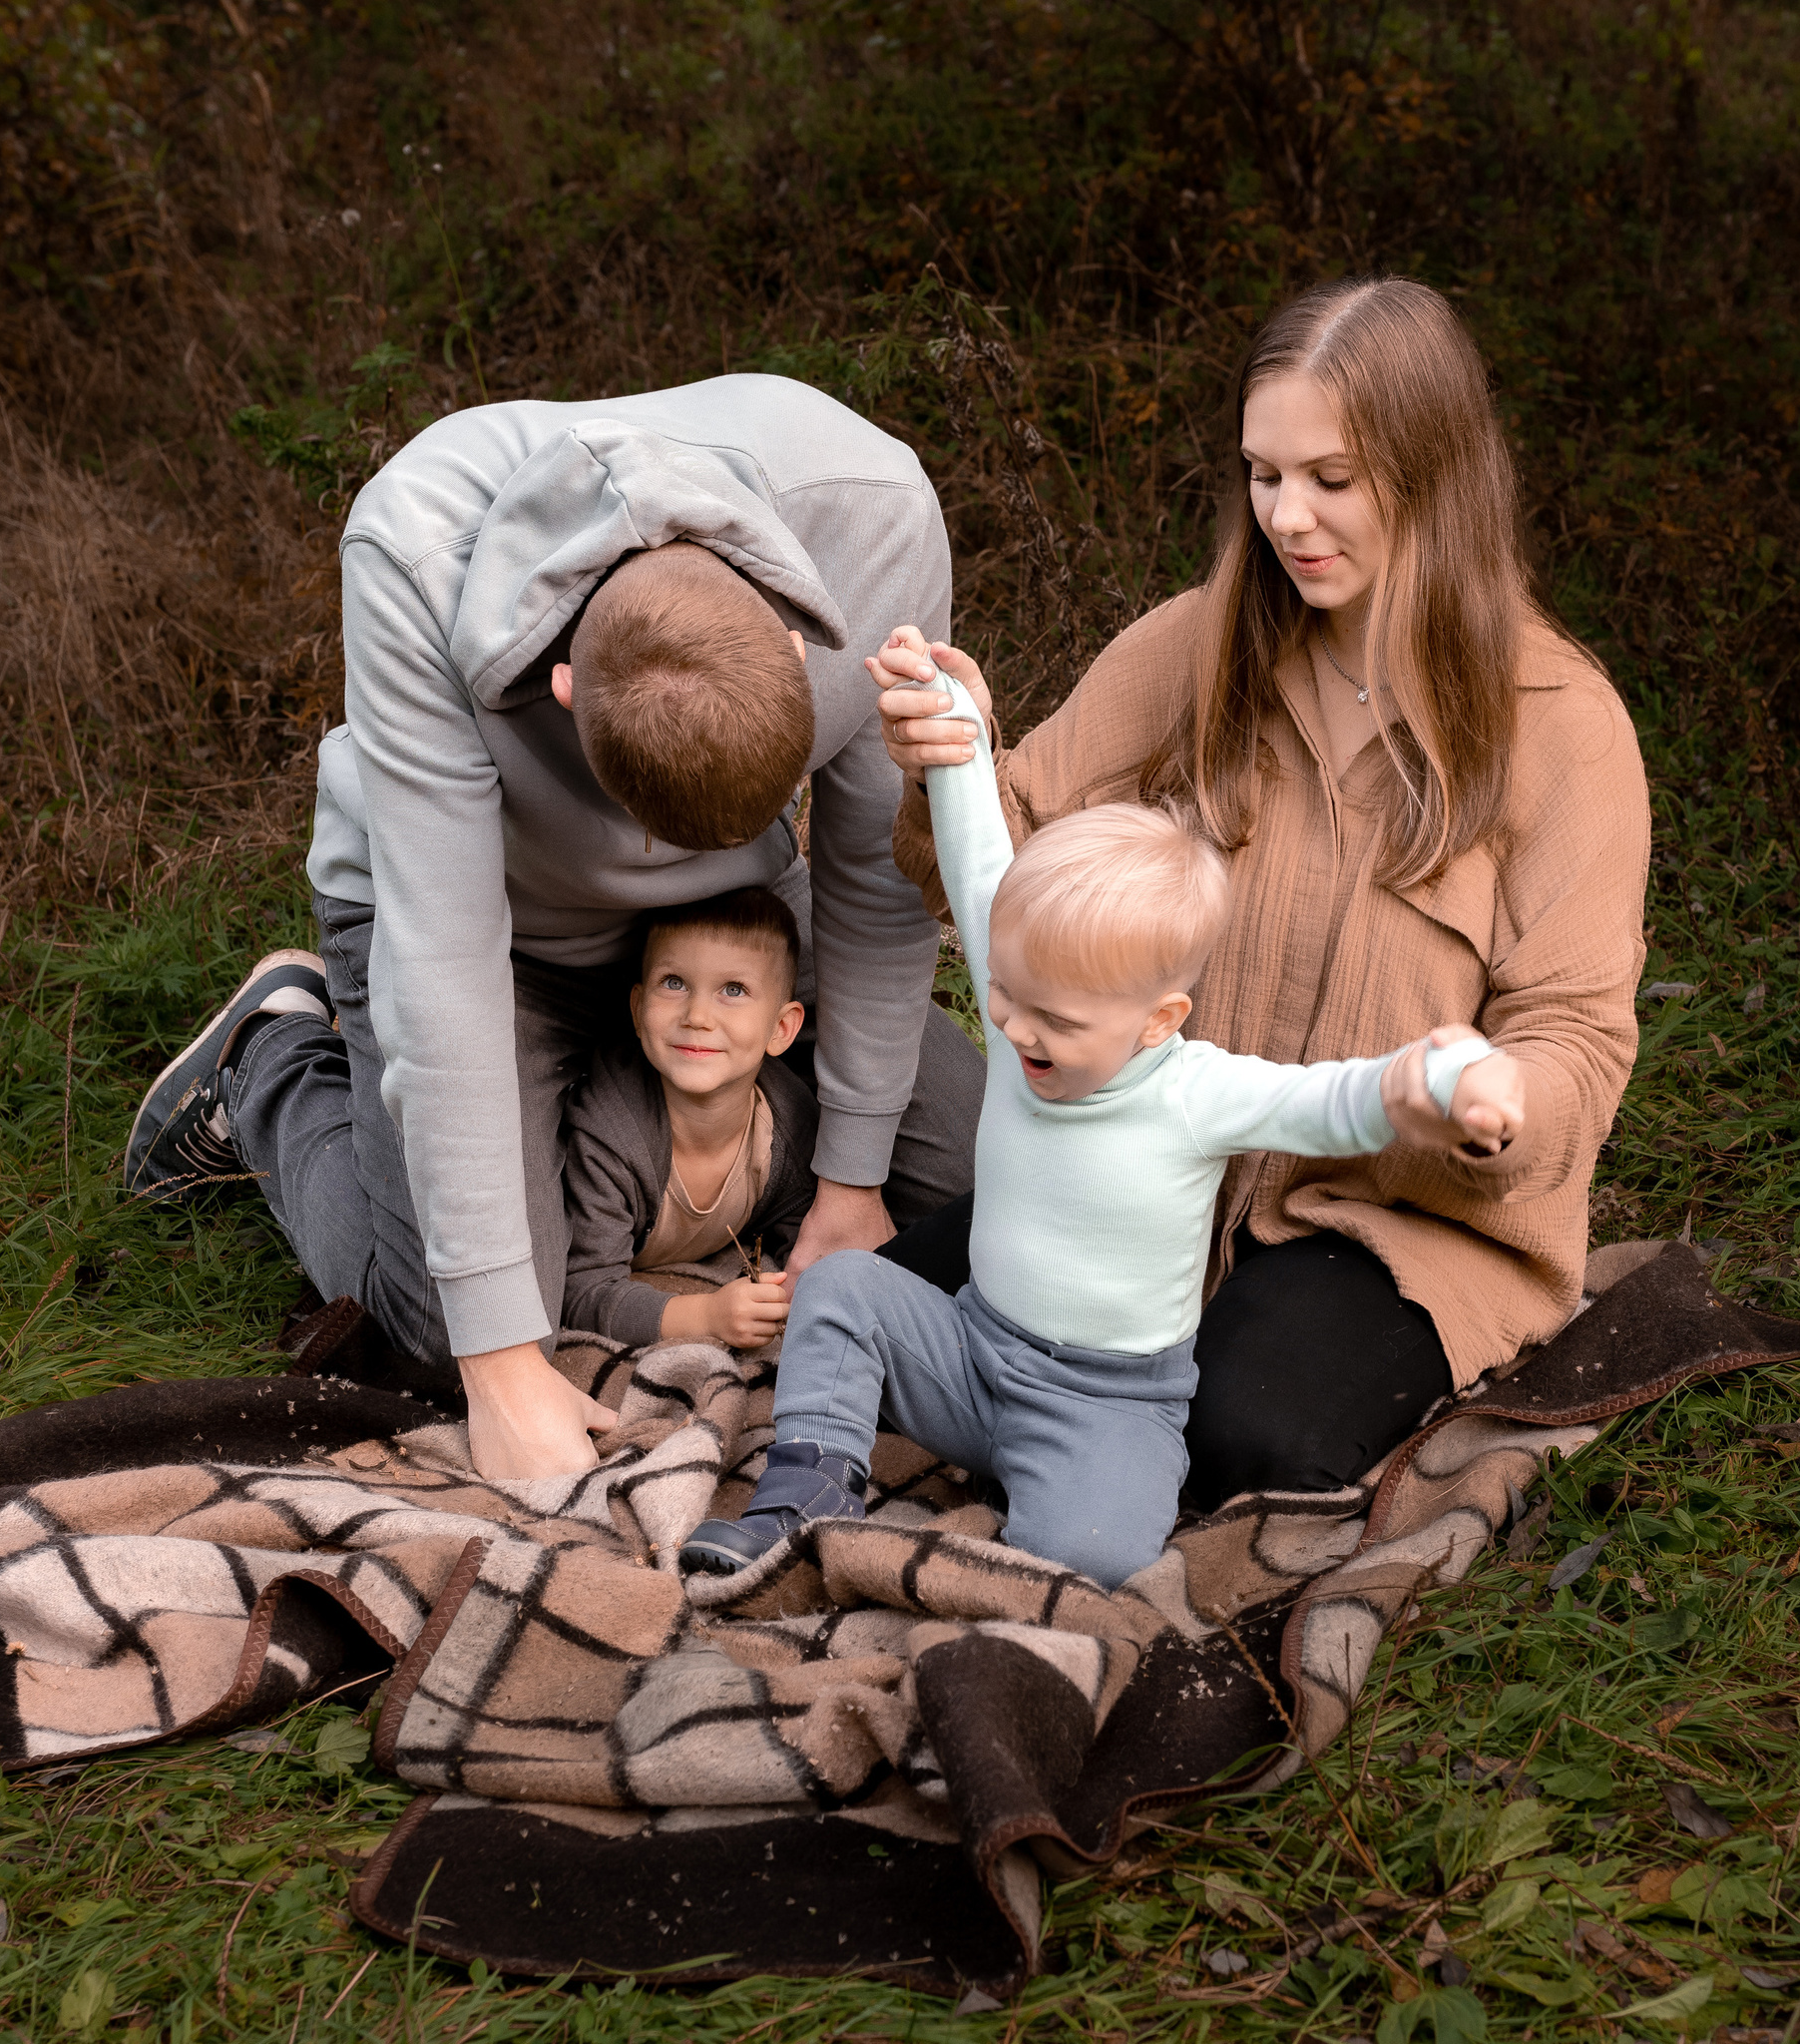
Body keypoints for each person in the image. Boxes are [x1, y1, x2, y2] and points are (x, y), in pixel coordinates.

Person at [869, 276, 1652, 1511]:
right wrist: (946, 767)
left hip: (1386, 1219)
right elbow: (1011, 858)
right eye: (1262, 473)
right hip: (1145, 1166)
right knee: (878, 1320)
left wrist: (1500, 1101)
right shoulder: (1199, 643)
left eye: (1331, 479)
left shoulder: (1564, 729)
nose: (1288, 516)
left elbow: (1575, 1033)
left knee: (1237, 1432)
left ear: (1434, 474)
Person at [124, 377, 985, 1478]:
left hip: (733, 917)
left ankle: (687, 1155)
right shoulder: (413, 554)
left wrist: (855, 1179)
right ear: (564, 687)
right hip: (483, 928)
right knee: (443, 1327)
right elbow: (444, 968)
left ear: (793, 638)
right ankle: (270, 1061)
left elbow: (869, 870)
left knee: (977, 1183)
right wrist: (495, 1362)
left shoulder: (876, 517)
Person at [680, 668, 1501, 1585]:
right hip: (970, 1349)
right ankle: (806, 1493)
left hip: (1105, 1403)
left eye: (1056, 1022)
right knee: (842, 1289)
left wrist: (1433, 1079)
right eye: (1004, 995)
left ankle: (1032, 1549)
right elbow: (977, 859)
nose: (1017, 1029)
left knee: (1093, 1557)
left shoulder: (1196, 1093)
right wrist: (953, 722)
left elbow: (1329, 1101)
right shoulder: (1028, 1007)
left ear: (1158, 1019)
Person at [559, 887, 816, 1354]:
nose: (697, 1016)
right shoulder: (608, 1137)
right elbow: (579, 1291)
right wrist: (705, 1316)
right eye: (674, 982)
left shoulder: (786, 1129)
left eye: (733, 990)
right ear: (638, 1010)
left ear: (781, 1029)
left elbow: (805, 1229)